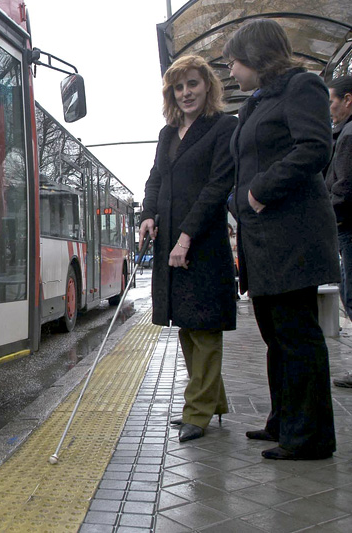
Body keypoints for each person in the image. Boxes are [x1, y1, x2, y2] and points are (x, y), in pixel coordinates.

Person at [224, 19, 338, 460]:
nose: (231, 70)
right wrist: (238, 201)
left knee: (296, 335)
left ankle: (309, 438)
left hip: (293, 236)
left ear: (256, 57)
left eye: (234, 61)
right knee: (276, 334)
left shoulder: (302, 86)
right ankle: (283, 421)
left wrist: (257, 192)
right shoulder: (257, 102)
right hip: (265, 239)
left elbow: (313, 148)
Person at [139, 55, 237, 443]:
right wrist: (147, 215)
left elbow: (216, 188)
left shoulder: (223, 127)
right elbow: (155, 179)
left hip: (202, 242)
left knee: (205, 325)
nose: (186, 93)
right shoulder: (167, 134)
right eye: (178, 88)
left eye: (192, 84)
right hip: (169, 242)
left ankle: (196, 410)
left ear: (207, 86)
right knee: (186, 325)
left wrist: (186, 237)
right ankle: (211, 401)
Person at [325, 77, 352, 388]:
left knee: (351, 294)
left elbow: (343, 186)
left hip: (347, 226)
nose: (329, 110)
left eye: (332, 103)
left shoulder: (347, 137)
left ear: (347, 99)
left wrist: (326, 216)